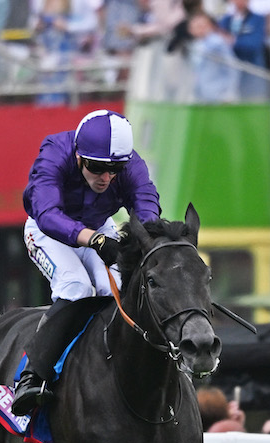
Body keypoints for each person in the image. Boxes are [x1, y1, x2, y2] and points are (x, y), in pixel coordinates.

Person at [13, 109, 162, 415]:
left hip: (99, 228)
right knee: (77, 286)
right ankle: (32, 375)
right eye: (96, 168)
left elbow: (147, 202)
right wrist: (92, 239)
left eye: (115, 169)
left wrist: (143, 238)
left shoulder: (132, 166)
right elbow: (46, 213)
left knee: (116, 291)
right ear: (79, 157)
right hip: (48, 232)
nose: (106, 178)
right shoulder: (55, 152)